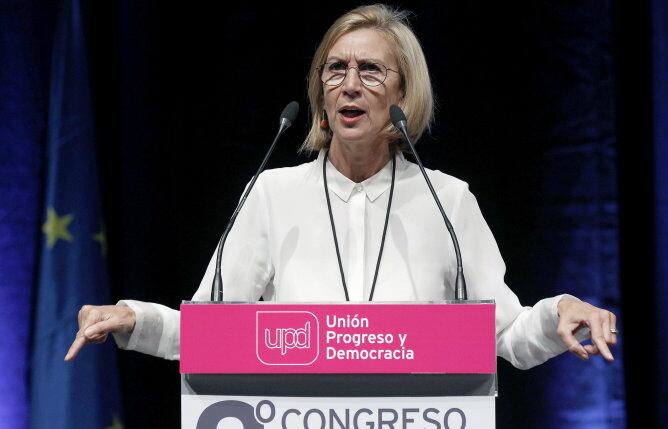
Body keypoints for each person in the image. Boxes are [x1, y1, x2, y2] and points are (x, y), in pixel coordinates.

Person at [65, 4, 617, 368]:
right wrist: (136, 319)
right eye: (335, 69)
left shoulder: (448, 201)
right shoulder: (272, 195)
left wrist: (557, 311)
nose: (350, 86)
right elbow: (214, 333)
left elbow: (506, 337)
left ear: (405, 92)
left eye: (371, 71)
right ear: (320, 91)